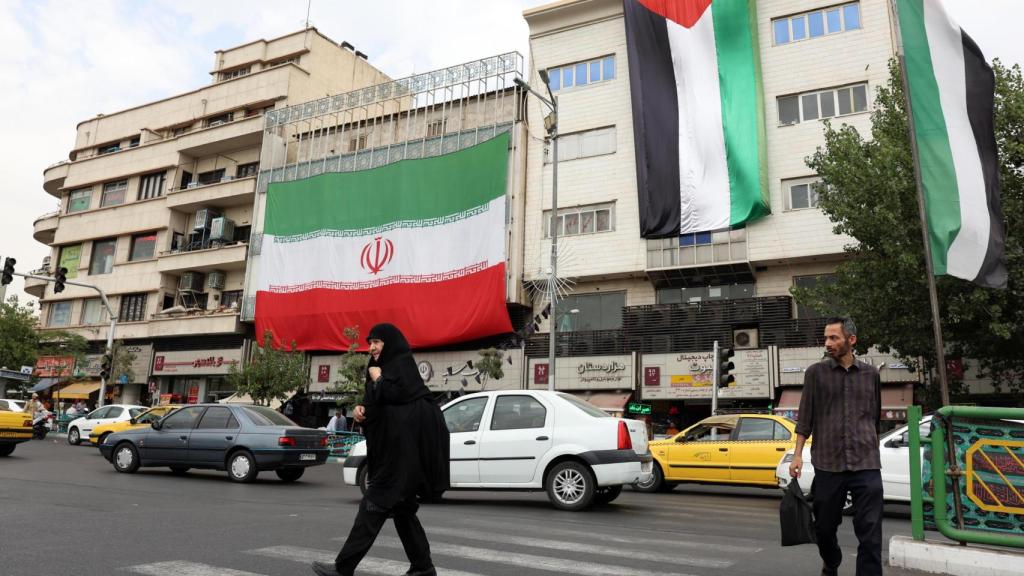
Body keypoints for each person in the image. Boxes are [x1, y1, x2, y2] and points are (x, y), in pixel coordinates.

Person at [313, 323, 449, 576]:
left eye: (377, 342)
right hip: (391, 453)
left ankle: (343, 568)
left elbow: (400, 398)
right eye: (370, 343)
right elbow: (380, 406)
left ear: (390, 343)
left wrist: (378, 378)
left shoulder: (402, 367)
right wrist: (361, 411)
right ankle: (423, 567)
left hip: (401, 457)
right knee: (403, 511)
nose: (371, 348)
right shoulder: (379, 369)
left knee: (372, 507)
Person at [789, 317, 882, 576]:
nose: (827, 343)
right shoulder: (815, 373)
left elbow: (874, 417)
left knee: (871, 532)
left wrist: (872, 445)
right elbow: (805, 417)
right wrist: (797, 455)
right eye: (826, 338)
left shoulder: (871, 374)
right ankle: (831, 562)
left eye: (834, 338)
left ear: (851, 340)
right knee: (824, 528)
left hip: (866, 463)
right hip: (828, 463)